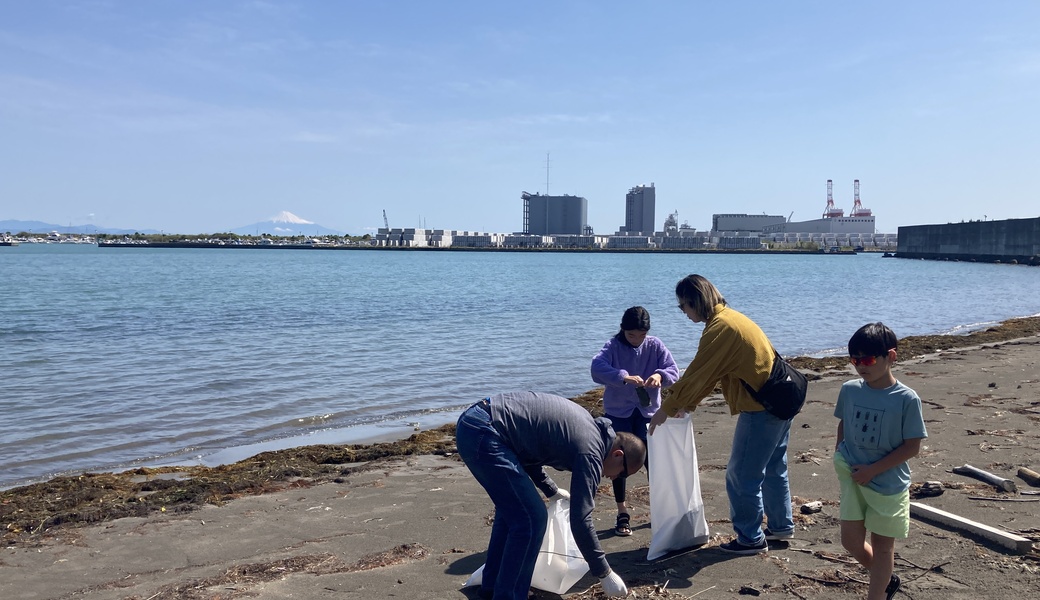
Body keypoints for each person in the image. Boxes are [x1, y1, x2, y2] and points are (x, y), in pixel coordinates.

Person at [648, 274, 795, 555]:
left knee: (741, 475)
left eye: (683, 306)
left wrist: (666, 409)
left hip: (762, 407)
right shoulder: (732, 318)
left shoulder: (721, 328)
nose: (683, 313)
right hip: (782, 398)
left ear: (696, 302)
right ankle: (780, 525)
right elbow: (711, 374)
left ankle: (750, 538)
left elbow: (698, 374)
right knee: (775, 466)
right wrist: (684, 405)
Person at [456, 391, 645, 600]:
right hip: (485, 431)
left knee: (512, 514)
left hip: (477, 423)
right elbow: (581, 519)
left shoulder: (590, 432)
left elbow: (528, 449)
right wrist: (604, 572)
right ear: (618, 455)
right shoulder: (591, 451)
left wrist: (551, 490)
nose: (614, 478)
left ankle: (491, 589)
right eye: (622, 473)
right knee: (532, 520)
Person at [834, 323, 927, 600]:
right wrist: (839, 452)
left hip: (887, 484)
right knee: (850, 541)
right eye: (855, 359)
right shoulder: (850, 390)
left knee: (883, 546)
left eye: (869, 359)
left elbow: (912, 446)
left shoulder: (907, 399)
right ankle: (886, 577)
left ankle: (877, 594)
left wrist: (873, 469)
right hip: (853, 477)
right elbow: (844, 423)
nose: (862, 365)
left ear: (891, 356)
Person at [591, 305, 679, 536]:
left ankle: (660, 509)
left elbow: (674, 370)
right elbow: (596, 368)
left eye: (642, 335)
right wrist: (623, 377)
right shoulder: (613, 346)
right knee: (618, 463)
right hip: (618, 413)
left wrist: (660, 375)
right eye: (631, 335)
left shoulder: (655, 345)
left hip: (647, 412)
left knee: (653, 460)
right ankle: (622, 512)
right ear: (622, 330)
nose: (637, 340)